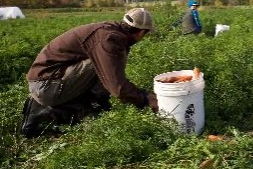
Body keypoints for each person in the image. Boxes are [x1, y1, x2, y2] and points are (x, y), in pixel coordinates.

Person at [21, 8, 159, 137]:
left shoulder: (112, 32)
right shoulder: (109, 39)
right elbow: (117, 86)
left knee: (106, 68)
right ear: (141, 32)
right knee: (100, 65)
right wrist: (145, 99)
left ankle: (85, 105)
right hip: (46, 86)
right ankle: (47, 111)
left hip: (49, 81)